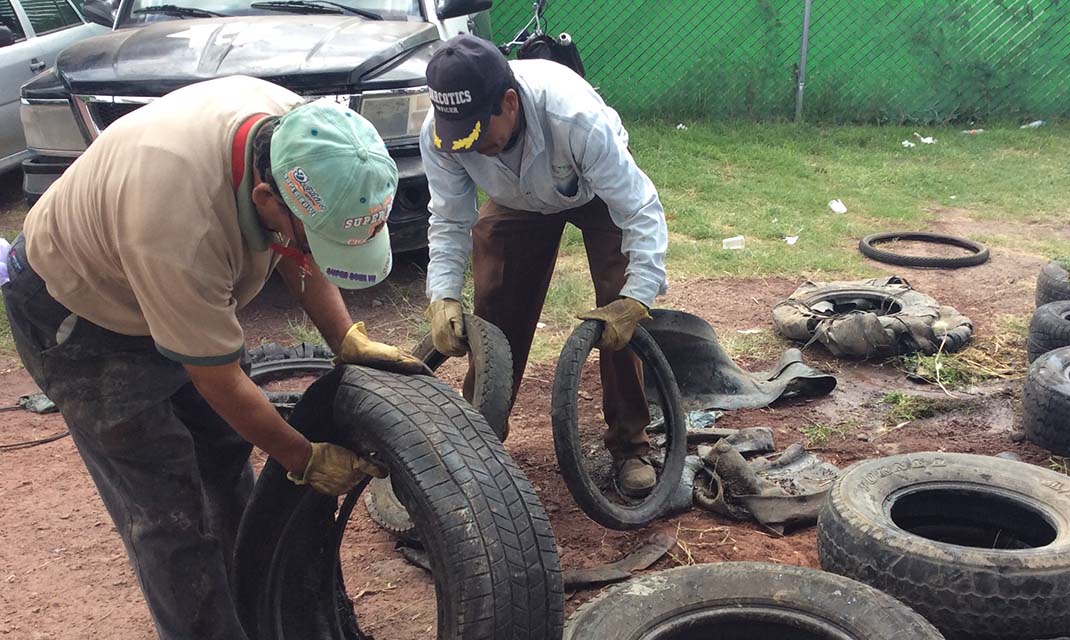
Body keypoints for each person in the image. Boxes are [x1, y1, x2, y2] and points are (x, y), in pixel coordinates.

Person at [1, 75, 427, 640]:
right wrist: (302, 456)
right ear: (265, 199)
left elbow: (303, 250)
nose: (307, 247)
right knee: (168, 513)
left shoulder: (312, 141)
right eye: (305, 233)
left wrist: (345, 337)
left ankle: (265, 617)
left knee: (225, 462)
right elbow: (219, 380)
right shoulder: (179, 221)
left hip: (156, 274)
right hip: (83, 316)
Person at [420, 34, 670, 497]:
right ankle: (480, 437)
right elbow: (450, 218)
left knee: (621, 305)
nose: (469, 148)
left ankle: (631, 444)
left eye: (478, 133)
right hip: (516, 198)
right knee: (494, 304)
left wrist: (639, 295)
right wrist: (444, 294)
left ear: (509, 103)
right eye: (459, 138)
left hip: (591, 189)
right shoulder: (443, 137)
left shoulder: (575, 118)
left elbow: (639, 208)